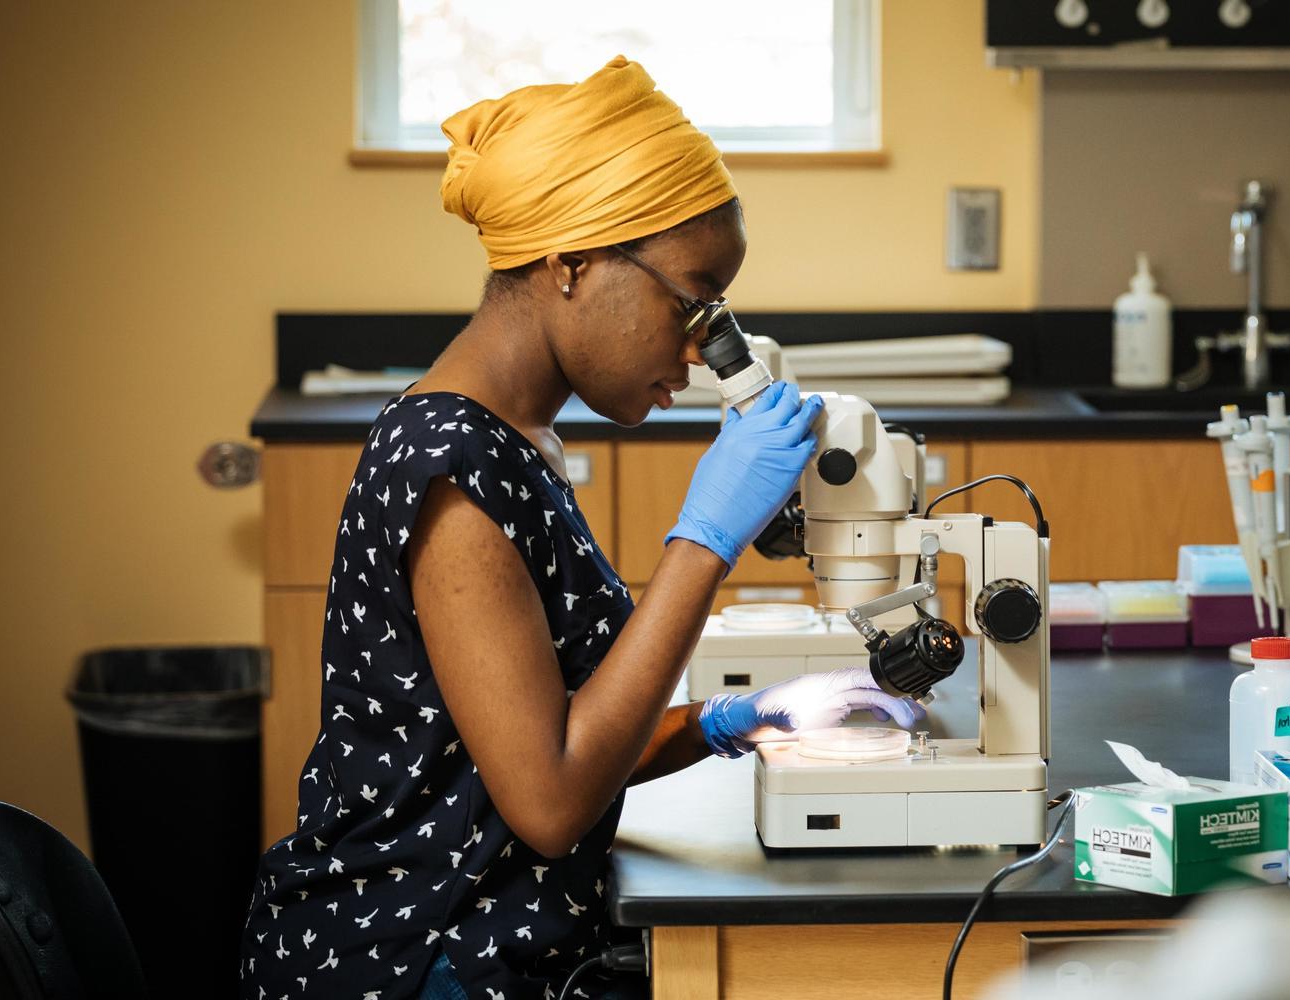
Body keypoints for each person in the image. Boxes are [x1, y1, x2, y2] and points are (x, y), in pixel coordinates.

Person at [239, 55, 921, 1000]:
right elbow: (551, 803)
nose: (702, 344)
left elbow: (536, 738)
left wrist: (732, 723)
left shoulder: (512, 440)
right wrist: (705, 541)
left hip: (486, 934)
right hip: (418, 958)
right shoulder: (451, 467)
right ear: (570, 264)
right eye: (691, 300)